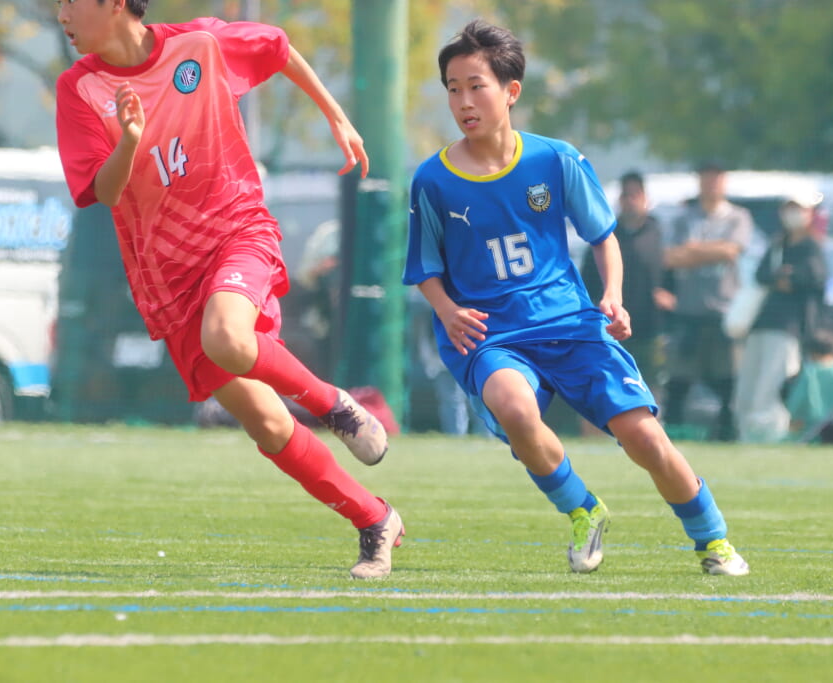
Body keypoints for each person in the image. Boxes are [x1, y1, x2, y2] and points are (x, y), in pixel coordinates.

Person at [54, 0, 402, 579]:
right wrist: (130, 139)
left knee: (227, 337)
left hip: (237, 234)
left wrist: (337, 117)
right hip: (168, 280)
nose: (61, 14)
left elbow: (278, 48)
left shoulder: (201, 45)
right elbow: (105, 191)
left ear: (115, 4)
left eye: (70, 1)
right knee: (267, 423)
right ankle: (375, 519)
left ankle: (335, 405)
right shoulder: (79, 88)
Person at [403, 19, 748, 576]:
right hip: (493, 335)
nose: (463, 101)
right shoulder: (432, 180)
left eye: (476, 86)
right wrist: (446, 309)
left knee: (644, 439)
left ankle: (713, 540)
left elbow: (604, 238)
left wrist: (613, 296)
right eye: (452, 88)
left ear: (511, 91)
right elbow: (424, 267)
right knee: (514, 408)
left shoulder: (555, 159)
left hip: (570, 323)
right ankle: (583, 510)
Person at [656, 161, 753, 440]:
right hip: (688, 310)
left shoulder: (737, 216)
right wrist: (711, 251)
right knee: (679, 377)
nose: (711, 184)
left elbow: (731, 251)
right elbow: (669, 258)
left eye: (716, 178)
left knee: (726, 378)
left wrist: (692, 251)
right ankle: (674, 432)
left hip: (723, 311)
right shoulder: (684, 218)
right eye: (706, 178)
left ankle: (726, 433)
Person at [733, 191, 827, 443]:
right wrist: (781, 277)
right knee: (749, 384)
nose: (793, 214)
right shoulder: (778, 244)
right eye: (789, 208)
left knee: (772, 386)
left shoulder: (811, 246)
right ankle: (746, 435)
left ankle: (769, 437)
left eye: (798, 209)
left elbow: (812, 278)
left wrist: (788, 278)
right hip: (761, 323)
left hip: (788, 328)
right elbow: (762, 275)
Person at [580, 171, 665, 402]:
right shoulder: (606, 237)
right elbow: (587, 280)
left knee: (650, 384)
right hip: (611, 324)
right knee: (609, 383)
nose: (631, 200)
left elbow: (669, 266)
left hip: (650, 325)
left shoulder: (657, 232)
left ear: (645, 197)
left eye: (636, 194)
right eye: (626, 195)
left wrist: (670, 293)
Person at [785, 329, 833, 441]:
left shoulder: (810, 371)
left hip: (811, 425)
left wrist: (793, 416)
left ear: (812, 351)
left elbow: (798, 398)